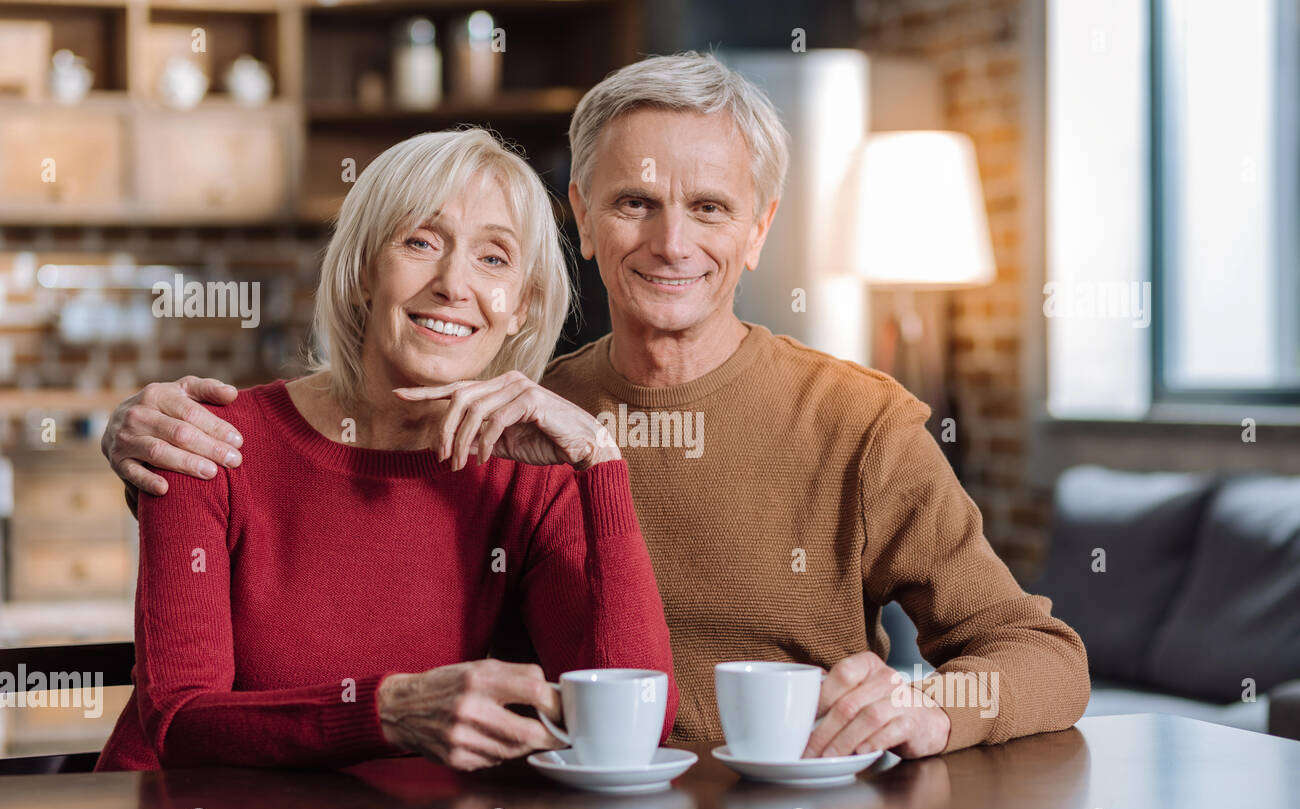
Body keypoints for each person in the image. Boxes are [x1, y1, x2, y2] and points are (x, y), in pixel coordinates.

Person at [100, 53, 1088, 762]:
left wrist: (933, 703)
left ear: (757, 231)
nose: (670, 241)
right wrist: (134, 430)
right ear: (579, 217)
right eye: (633, 203)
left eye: (708, 207)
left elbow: (1038, 653)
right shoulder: (506, 419)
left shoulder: (858, 423)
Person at [94, 127, 676, 772]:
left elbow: (634, 724)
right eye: (421, 242)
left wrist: (600, 460)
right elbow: (179, 726)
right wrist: (389, 712)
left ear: (523, 308)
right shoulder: (211, 443)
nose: (454, 284)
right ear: (365, 271)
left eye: (494, 258)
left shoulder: (530, 477)